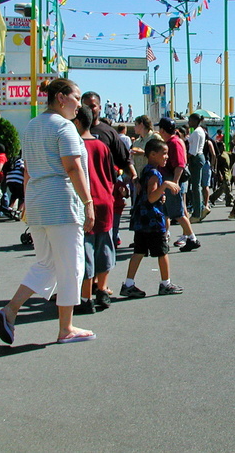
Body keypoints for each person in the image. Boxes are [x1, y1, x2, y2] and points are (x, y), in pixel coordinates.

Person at [0, 77, 96, 346]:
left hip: (38, 202)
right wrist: (88, 202)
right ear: (61, 97)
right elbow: (73, 168)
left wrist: (28, 204)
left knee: (48, 263)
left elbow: (27, 170)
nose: (79, 104)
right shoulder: (64, 127)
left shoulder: (31, 127)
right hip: (61, 203)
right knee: (72, 265)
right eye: (76, 97)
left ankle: (10, 310)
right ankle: (66, 328)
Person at [119, 138, 183, 298]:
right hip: (152, 220)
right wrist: (164, 187)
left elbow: (150, 194)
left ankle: (128, 283)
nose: (166, 157)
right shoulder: (154, 174)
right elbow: (151, 197)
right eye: (164, 154)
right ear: (153, 154)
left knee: (139, 251)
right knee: (162, 252)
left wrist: (160, 195)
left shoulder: (147, 170)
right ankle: (165, 283)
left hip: (142, 220)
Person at [73, 105, 116, 313]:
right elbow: (111, 175)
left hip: (85, 202)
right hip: (105, 200)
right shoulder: (102, 146)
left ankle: (86, 297)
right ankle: (102, 290)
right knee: (105, 248)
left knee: (86, 251)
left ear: (78, 122)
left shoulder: (74, 146)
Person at [157, 117, 200, 251]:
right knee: (167, 212)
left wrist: (174, 182)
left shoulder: (174, 143)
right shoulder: (173, 141)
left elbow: (180, 164)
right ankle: (165, 237)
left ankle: (192, 238)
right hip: (169, 180)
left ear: (162, 130)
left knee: (178, 213)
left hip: (172, 181)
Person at [187, 113, 209, 222]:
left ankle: (197, 213)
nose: (188, 122)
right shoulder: (200, 131)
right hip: (199, 157)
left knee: (195, 187)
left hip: (195, 158)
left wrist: (185, 157)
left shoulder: (196, 132)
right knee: (196, 186)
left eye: (190, 120)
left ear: (195, 121)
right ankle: (201, 208)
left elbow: (193, 151)